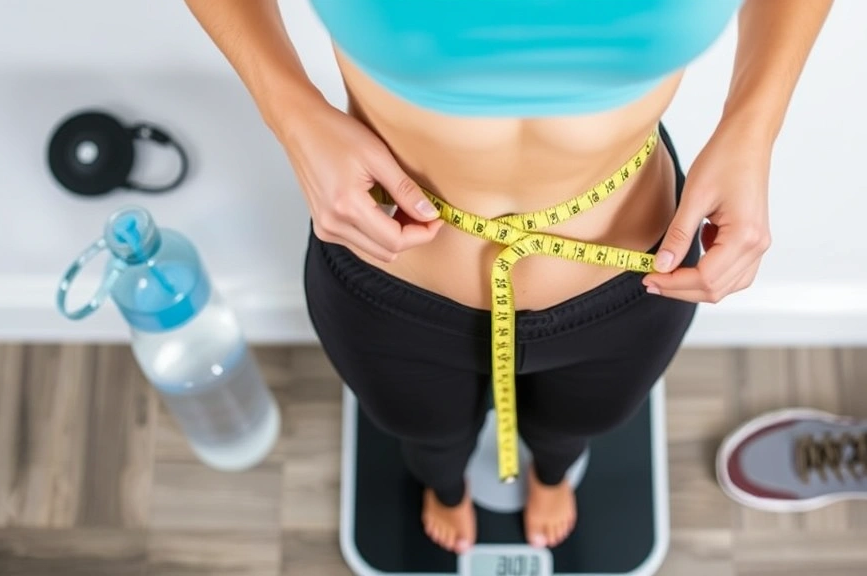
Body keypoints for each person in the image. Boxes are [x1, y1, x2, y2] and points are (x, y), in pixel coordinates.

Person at [185, 0, 832, 554]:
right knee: (425, 435)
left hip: (634, 279)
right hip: (390, 284)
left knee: (579, 427)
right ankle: (446, 485)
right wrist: (289, 111)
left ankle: (552, 475)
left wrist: (755, 124)